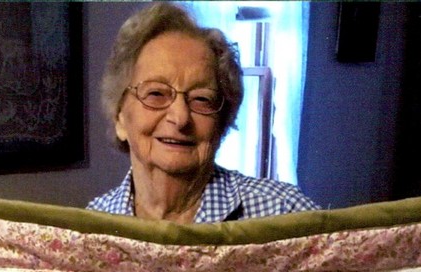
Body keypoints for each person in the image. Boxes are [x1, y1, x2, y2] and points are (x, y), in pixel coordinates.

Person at [88, 1, 319, 223]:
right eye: (156, 93)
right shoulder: (89, 229)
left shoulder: (286, 213)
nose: (180, 118)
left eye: (201, 99)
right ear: (119, 117)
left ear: (222, 121)